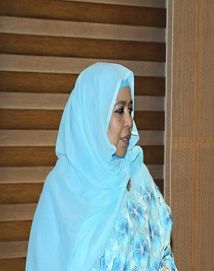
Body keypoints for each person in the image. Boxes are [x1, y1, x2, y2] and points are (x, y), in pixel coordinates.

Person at [26, 63, 177, 271]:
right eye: (119, 111)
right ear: (92, 115)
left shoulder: (136, 175)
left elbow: (164, 252)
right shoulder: (60, 191)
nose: (129, 121)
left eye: (130, 110)